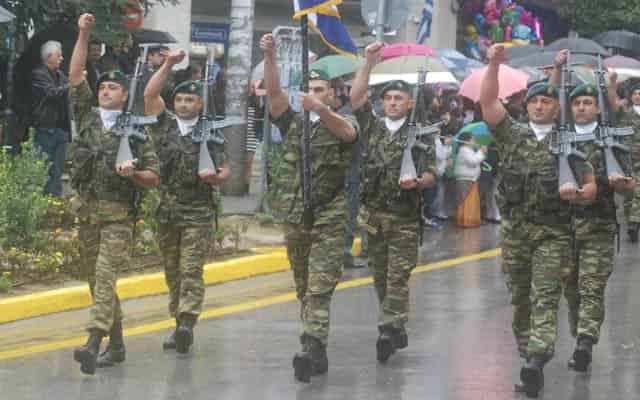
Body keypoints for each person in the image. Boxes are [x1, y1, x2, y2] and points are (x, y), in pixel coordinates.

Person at [480, 44, 598, 398]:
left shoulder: (569, 143)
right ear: (527, 105)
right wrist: (493, 65)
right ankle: (527, 354)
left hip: (553, 233)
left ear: (556, 106)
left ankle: (536, 358)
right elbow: (488, 103)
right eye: (534, 101)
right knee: (520, 299)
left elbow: (591, 184)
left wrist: (579, 196)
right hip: (515, 231)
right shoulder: (511, 133)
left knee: (544, 296)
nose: (540, 105)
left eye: (547, 101)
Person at [260, 33, 358, 382]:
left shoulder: (341, 120)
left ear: (333, 93)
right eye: (310, 90)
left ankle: (310, 343)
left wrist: (321, 110)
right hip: (295, 216)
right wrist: (270, 56)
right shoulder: (293, 123)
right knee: (304, 287)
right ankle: (318, 348)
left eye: (321, 90)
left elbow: (348, 135)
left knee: (318, 287)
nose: (314, 95)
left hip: (329, 217)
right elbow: (273, 94)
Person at [67, 13, 160, 375]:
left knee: (105, 277)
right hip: (88, 212)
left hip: (119, 216)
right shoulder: (87, 117)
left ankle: (93, 343)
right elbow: (75, 75)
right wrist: (84, 32)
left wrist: (134, 173)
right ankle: (117, 346)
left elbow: (154, 177)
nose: (105, 91)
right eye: (102, 87)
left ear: (124, 96)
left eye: (113, 88)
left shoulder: (136, 131)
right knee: (96, 281)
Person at [351, 42, 437, 363]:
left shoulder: (421, 134)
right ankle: (396, 322)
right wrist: (368, 62)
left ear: (410, 102)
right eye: (387, 98)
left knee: (398, 276)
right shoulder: (372, 126)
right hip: (372, 215)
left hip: (402, 218)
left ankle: (388, 329)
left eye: (398, 98)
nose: (391, 103)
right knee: (380, 275)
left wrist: (417, 181)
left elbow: (431, 173)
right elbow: (356, 98)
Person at [144, 49, 231, 354]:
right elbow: (150, 93)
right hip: (167, 211)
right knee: (172, 270)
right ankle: (177, 320)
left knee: (191, 268)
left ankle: (186, 323)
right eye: (180, 100)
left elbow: (225, 170)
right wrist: (168, 63)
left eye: (190, 100)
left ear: (200, 104)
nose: (183, 104)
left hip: (197, 211)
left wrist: (215, 178)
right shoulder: (163, 125)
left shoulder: (211, 132)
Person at [559, 80, 635, 372]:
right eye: (577, 103)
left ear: (597, 107)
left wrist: (624, 184)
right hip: (564, 229)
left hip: (600, 226)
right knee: (572, 289)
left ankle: (585, 343)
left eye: (588, 102)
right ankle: (580, 333)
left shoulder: (612, 140)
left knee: (592, 286)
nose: (581, 107)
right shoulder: (559, 139)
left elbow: (630, 186)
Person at [30, 40, 70, 196]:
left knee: (58, 170)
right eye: (59, 56)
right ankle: (43, 202)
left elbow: (68, 92)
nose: (62, 59)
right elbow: (52, 93)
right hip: (45, 129)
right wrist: (72, 84)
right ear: (48, 56)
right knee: (44, 168)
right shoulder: (38, 74)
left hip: (60, 128)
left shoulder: (60, 75)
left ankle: (55, 202)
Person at [452, 132, 486, 212]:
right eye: (473, 140)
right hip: (465, 179)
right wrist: (481, 152)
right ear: (467, 141)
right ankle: (463, 220)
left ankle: (466, 220)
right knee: (464, 201)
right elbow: (473, 161)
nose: (475, 142)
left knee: (468, 202)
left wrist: (480, 153)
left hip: (470, 179)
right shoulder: (464, 150)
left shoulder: (469, 150)